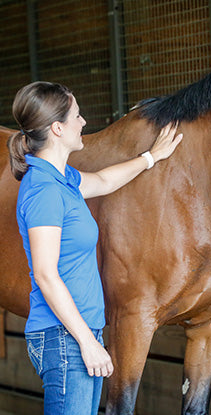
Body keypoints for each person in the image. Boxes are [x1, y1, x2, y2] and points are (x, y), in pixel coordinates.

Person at [7, 81, 183, 415]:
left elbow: (103, 181)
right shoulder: (44, 190)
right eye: (77, 115)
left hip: (78, 332)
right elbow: (46, 275)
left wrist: (151, 157)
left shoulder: (61, 178)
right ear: (58, 128)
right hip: (65, 338)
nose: (84, 122)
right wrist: (87, 343)